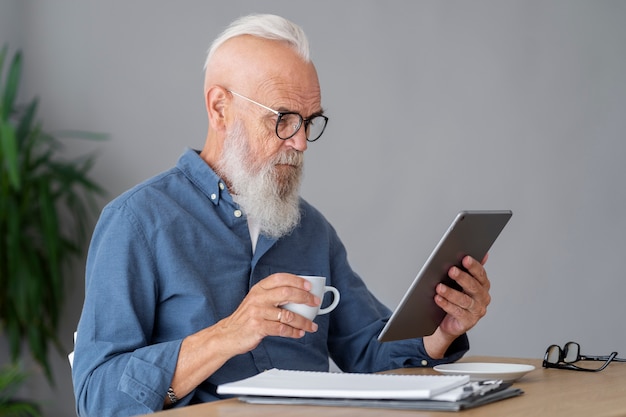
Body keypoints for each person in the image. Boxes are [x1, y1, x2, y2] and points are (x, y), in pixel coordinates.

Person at [72, 13, 492, 417]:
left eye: (309, 122)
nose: (301, 142)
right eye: (283, 119)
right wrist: (227, 335)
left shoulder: (311, 230)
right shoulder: (137, 222)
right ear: (220, 108)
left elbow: (367, 353)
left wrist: (442, 331)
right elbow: (96, 397)